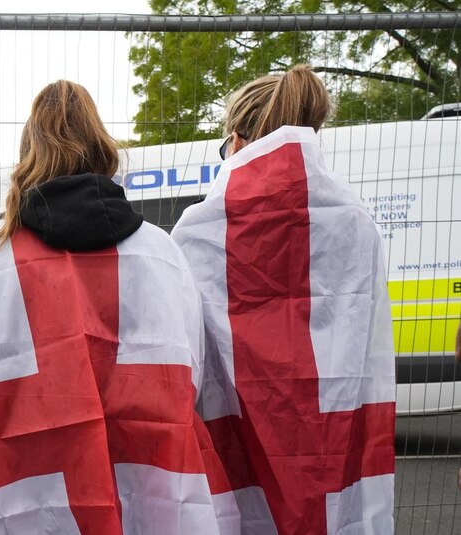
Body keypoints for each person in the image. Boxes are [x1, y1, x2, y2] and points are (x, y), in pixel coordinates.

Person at [0, 80, 239, 534]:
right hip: (146, 492)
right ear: (103, 150)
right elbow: (189, 376)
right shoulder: (163, 256)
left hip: (7, 499)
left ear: (26, 156)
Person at [172, 65, 396, 533]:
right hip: (332, 449)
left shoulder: (198, 230)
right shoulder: (355, 220)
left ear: (236, 140)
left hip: (237, 451)